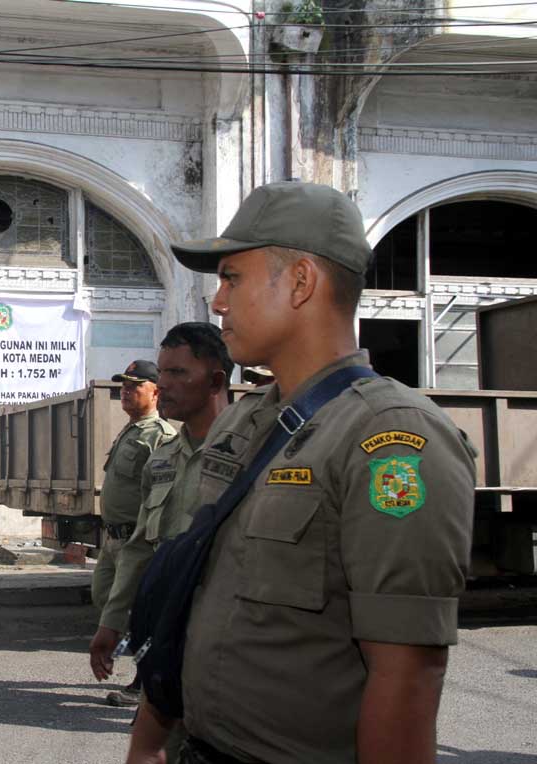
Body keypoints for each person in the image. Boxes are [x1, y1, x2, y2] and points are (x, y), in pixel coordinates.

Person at [126, 181, 476, 764]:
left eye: (232, 278)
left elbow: (406, 676)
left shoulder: (390, 440)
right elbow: (194, 594)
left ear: (301, 281)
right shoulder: (246, 422)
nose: (217, 302)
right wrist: (148, 739)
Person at [89, 324, 232, 690]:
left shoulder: (250, 454)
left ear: (215, 382)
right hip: (170, 637)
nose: (164, 384)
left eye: (177, 372)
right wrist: (112, 623)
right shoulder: (164, 458)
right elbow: (140, 545)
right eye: (163, 372)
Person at [94, 359, 176, 706]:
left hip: (136, 541)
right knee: (105, 601)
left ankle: (146, 683)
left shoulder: (161, 436)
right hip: (112, 540)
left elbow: (161, 498)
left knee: (142, 614)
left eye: (134, 385)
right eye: (123, 386)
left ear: (156, 391)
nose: (125, 391)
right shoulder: (131, 430)